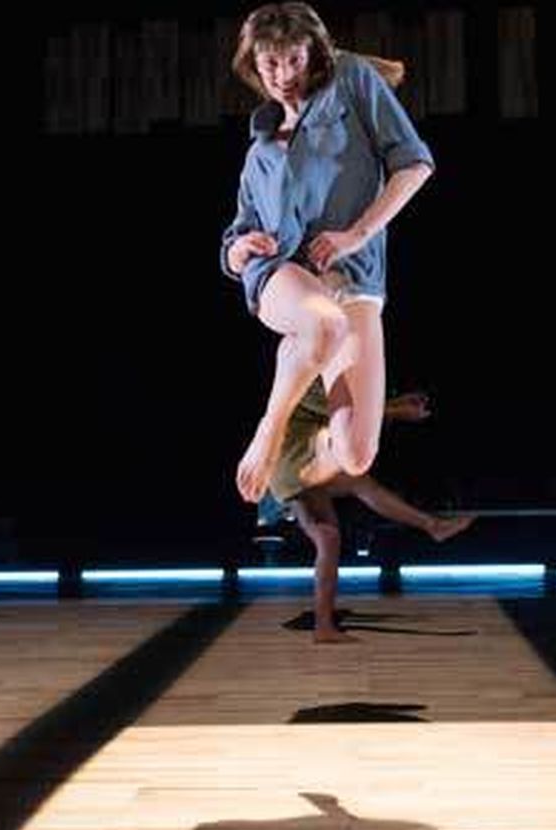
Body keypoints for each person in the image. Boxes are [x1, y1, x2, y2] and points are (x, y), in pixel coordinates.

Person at [221, 3, 435, 506]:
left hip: (355, 278)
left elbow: (415, 165)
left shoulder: (352, 83)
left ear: (313, 54)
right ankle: (270, 431)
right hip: (283, 274)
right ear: (254, 65)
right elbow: (236, 238)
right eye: (270, 65)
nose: (283, 76)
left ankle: (306, 437)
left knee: (358, 453)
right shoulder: (260, 151)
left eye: (293, 61)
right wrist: (240, 251)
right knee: (323, 323)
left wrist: (357, 233)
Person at [265, 382, 475, 643]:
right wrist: (398, 411)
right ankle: (432, 526)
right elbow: (343, 415)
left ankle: (323, 627)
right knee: (359, 484)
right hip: (296, 466)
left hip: (293, 469)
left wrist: (398, 405)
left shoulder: (321, 372)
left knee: (329, 539)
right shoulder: (310, 374)